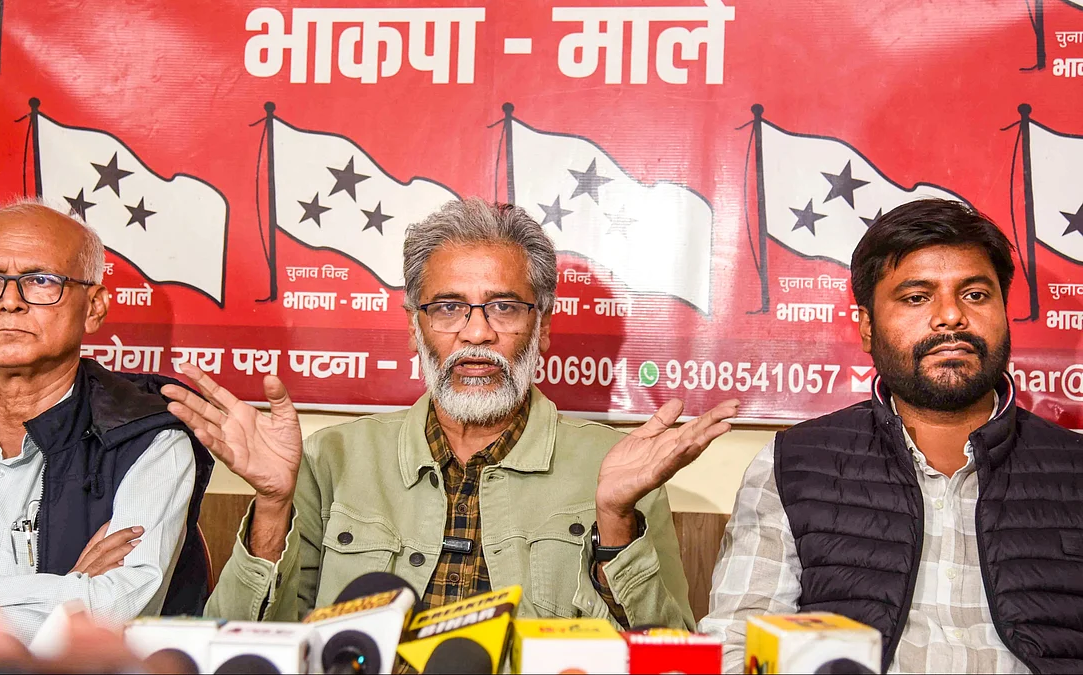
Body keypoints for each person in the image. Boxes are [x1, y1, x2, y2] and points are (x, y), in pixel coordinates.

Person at [164, 199, 738, 636]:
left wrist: (614, 520)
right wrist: (270, 505)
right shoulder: (331, 460)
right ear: (416, 325)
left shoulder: (618, 471)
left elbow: (670, 653)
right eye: (448, 307)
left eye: (505, 307)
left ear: (544, 326)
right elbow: (244, 641)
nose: (477, 332)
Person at [699, 199, 1083, 674]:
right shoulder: (792, 465)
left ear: (1005, 313)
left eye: (976, 295)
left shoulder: (1075, 469)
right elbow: (737, 646)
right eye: (917, 297)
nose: (950, 317)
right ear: (866, 326)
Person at [0, 202, 213, 642]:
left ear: (94, 307)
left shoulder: (146, 440)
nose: (10, 302)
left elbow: (112, 617)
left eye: (40, 281)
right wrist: (67, 596)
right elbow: (84, 611)